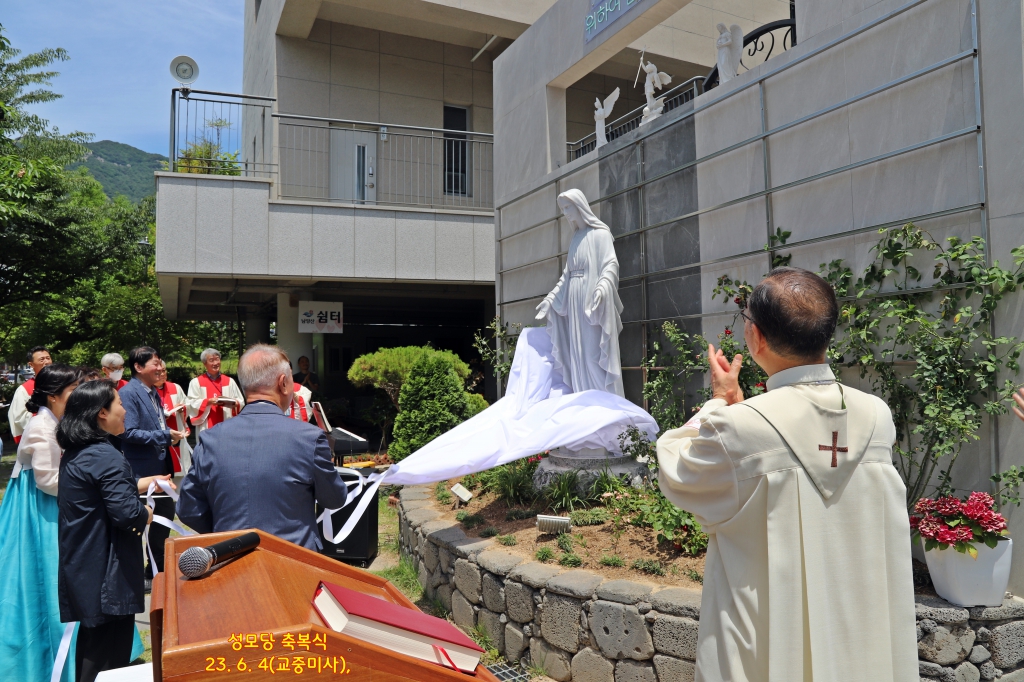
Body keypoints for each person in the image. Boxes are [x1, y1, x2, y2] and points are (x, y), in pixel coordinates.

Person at [656, 267, 917, 682]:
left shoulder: (737, 426)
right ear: (827, 333)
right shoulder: (876, 416)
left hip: (768, 644)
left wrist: (720, 404)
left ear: (756, 337)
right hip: (858, 638)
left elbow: (674, 467)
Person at [178, 344, 353, 550]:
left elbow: (189, 509)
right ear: (283, 383)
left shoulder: (209, 439)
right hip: (294, 559)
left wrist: (225, 535)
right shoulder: (308, 437)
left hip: (230, 559)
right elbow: (334, 498)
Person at [57, 381, 173, 682]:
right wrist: (146, 513)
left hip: (86, 564)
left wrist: (144, 483)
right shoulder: (106, 456)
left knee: (93, 651)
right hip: (108, 570)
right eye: (119, 403)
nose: (124, 410)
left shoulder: (79, 451)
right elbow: (125, 512)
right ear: (102, 414)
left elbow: (103, 494)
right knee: (108, 658)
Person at [0, 365, 80, 682]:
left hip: (50, 505)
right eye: (73, 390)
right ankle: (51, 656)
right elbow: (48, 481)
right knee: (47, 578)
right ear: (53, 396)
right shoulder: (41, 427)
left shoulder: (55, 421)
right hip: (41, 511)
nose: (77, 396)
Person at [119, 347, 184, 586]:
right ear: (138, 367)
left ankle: (155, 571)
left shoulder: (152, 392)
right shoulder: (130, 393)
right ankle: (139, 574)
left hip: (159, 466)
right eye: (155, 363)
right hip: (141, 471)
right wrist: (164, 436)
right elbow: (128, 432)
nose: (160, 368)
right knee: (141, 523)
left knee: (163, 518)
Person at [186, 348, 244, 434]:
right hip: (206, 426)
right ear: (204, 363)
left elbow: (241, 401)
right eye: (211, 360)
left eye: (217, 359)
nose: (215, 363)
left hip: (227, 424)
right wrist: (208, 402)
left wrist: (234, 403)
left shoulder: (229, 381)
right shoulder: (196, 382)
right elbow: (191, 403)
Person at [8, 346, 53, 444]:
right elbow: (20, 418)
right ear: (31, 364)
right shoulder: (24, 390)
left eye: (48, 358)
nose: (46, 362)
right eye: (42, 359)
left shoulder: (60, 384)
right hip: (39, 441)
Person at [154, 363, 192, 476]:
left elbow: (188, 405)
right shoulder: (147, 390)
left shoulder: (175, 387)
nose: (162, 374)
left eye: (164, 371)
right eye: (159, 372)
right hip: (159, 434)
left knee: (181, 471)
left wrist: (182, 408)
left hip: (177, 429)